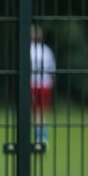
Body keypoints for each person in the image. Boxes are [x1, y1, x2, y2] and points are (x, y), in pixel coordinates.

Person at [30, 23, 56, 151]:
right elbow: (52, 71)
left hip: (32, 85)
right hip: (45, 85)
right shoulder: (46, 50)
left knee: (35, 113)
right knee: (42, 113)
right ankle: (42, 138)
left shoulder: (27, 50)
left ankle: (38, 138)